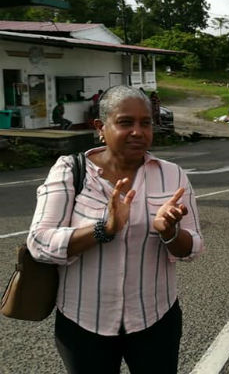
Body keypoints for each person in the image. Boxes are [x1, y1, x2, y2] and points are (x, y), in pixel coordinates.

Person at [27, 85, 204, 374]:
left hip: (155, 320)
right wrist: (103, 229)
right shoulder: (71, 171)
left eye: (145, 123)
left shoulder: (172, 175)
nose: (138, 131)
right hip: (84, 322)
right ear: (100, 127)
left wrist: (170, 232)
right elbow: (39, 242)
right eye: (125, 122)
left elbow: (193, 247)